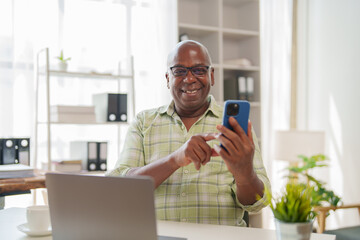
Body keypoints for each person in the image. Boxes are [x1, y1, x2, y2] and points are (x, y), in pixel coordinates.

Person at [107, 40, 270, 226]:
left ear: (212, 76)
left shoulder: (235, 128)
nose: (190, 79)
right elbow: (117, 188)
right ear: (168, 78)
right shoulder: (144, 122)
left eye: (199, 70)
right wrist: (174, 159)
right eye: (179, 71)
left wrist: (244, 173)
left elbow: (258, 203)